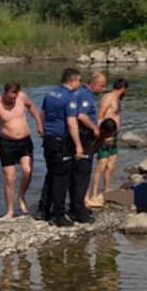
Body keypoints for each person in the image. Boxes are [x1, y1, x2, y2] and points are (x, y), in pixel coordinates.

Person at [0, 82, 44, 220]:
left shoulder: (22, 97)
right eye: (10, 98)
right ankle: (9, 211)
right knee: (10, 178)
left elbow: (32, 106)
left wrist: (39, 124)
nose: (12, 101)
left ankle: (21, 196)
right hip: (7, 144)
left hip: (25, 142)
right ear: (4, 93)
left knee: (27, 171)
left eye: (14, 99)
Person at [38, 68, 84, 226]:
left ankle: (43, 210)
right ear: (72, 81)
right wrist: (78, 145)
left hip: (49, 139)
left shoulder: (50, 93)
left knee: (51, 173)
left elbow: (42, 113)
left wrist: (42, 128)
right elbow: (71, 123)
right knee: (61, 177)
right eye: (79, 80)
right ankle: (58, 213)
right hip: (60, 141)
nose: (80, 83)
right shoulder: (69, 98)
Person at [67, 71, 102, 224]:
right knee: (82, 174)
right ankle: (79, 210)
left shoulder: (77, 93)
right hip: (83, 136)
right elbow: (81, 116)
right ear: (93, 85)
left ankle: (74, 207)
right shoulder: (86, 95)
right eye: (102, 86)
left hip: (74, 137)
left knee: (74, 174)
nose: (103, 88)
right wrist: (95, 128)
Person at [90, 78, 129, 208]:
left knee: (111, 166)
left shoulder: (116, 99)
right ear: (123, 88)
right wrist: (104, 136)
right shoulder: (108, 98)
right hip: (106, 135)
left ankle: (107, 193)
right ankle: (94, 195)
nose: (126, 93)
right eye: (126, 90)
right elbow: (100, 116)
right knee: (101, 166)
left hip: (114, 135)